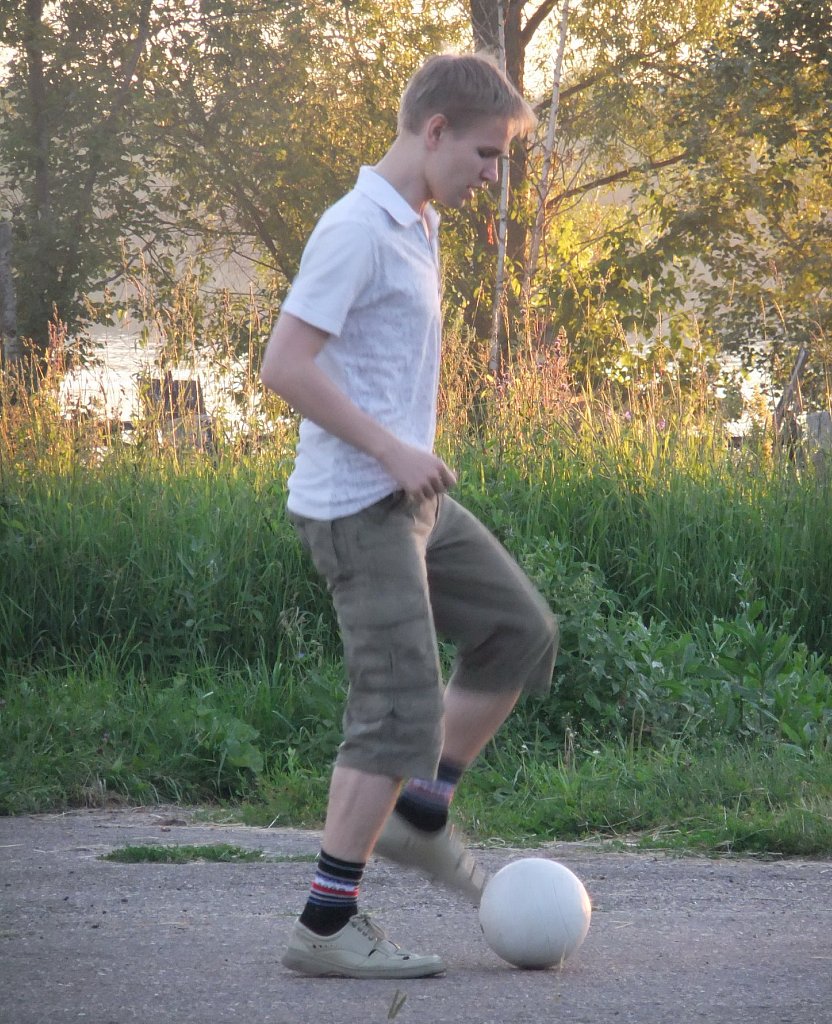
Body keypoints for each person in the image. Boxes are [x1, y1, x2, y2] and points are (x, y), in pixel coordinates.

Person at [261, 51, 558, 980]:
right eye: (485, 154)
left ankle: (421, 814)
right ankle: (325, 923)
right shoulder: (356, 229)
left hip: (412, 503)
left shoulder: (416, 220)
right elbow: (284, 364)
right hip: (359, 507)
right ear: (434, 132)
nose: (493, 176)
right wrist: (392, 449)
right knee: (397, 711)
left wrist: (405, 461)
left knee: (519, 630)